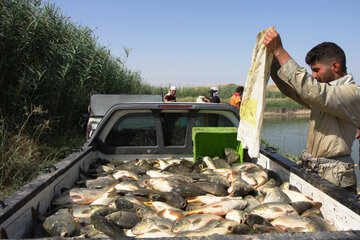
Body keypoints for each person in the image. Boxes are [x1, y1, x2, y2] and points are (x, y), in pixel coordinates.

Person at [263, 27, 360, 189]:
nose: (314, 76)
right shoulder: (325, 94)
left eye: (316, 70)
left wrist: (280, 51)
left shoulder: (351, 93)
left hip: (336, 175)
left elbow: (313, 90)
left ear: (335, 66)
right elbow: (292, 89)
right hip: (315, 168)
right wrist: (273, 64)